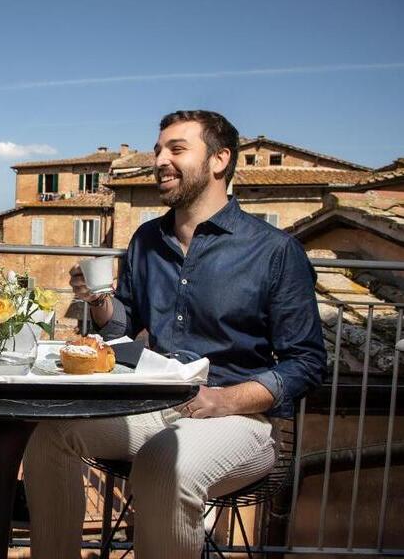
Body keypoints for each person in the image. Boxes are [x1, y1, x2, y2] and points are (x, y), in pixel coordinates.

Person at [23, 110, 326, 559]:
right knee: (51, 435)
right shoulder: (146, 240)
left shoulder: (275, 251)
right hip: (156, 406)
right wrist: (99, 300)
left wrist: (225, 400)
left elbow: (307, 363)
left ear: (220, 160)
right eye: (159, 149)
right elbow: (124, 330)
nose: (160, 160)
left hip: (241, 421)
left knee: (165, 463)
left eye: (176, 149)